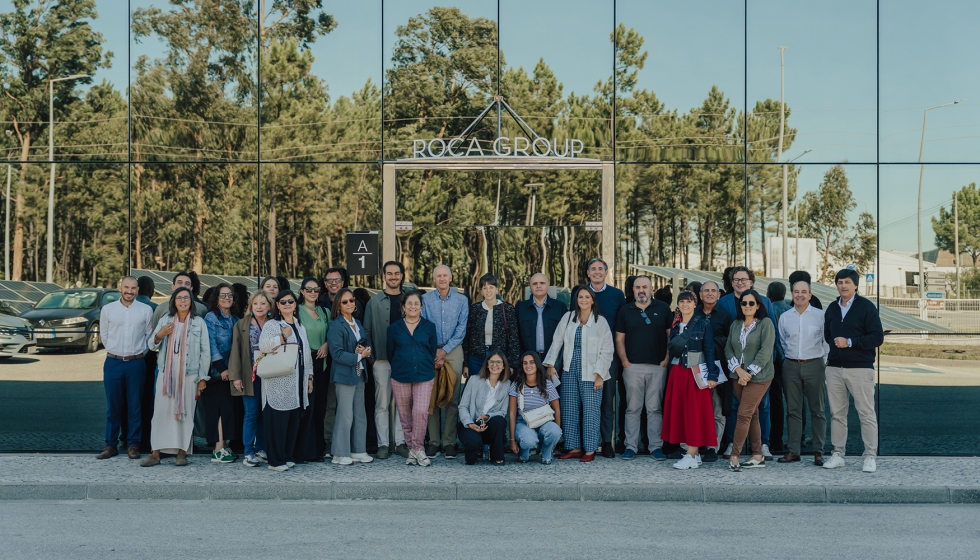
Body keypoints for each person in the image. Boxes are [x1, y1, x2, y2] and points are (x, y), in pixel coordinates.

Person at [822, 268, 884, 473]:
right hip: (835, 369)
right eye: (840, 282)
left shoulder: (866, 307)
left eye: (847, 282)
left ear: (855, 285)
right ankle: (838, 454)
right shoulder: (831, 308)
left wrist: (850, 342)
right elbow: (827, 335)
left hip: (860, 369)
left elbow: (877, 337)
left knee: (866, 413)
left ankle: (869, 456)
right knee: (837, 414)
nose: (843, 286)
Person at [141, 287, 211, 467]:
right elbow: (151, 345)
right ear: (174, 301)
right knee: (160, 414)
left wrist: (203, 377)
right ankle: (155, 453)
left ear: (191, 301)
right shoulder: (165, 320)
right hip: (166, 375)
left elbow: (206, 352)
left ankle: (182, 453)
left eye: (186, 298)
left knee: (184, 414)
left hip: (190, 375)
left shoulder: (199, 323)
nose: (182, 301)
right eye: (179, 297)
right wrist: (159, 334)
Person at [543, 285, 614, 462]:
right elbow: (557, 340)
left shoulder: (601, 322)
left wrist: (600, 375)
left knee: (591, 410)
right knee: (569, 409)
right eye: (580, 297)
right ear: (576, 300)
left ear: (592, 300)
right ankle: (573, 447)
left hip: (592, 372)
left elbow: (607, 350)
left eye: (586, 297)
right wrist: (551, 364)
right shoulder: (568, 317)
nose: (583, 300)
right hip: (569, 369)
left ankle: (590, 449)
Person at [718, 266, 779, 460]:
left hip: (759, 373)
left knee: (761, 408)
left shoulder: (765, 306)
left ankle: (760, 446)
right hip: (736, 372)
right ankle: (741, 446)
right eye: (736, 279)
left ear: (751, 282)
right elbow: (727, 343)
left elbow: (769, 342)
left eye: (744, 279)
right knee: (737, 408)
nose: (740, 282)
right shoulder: (725, 304)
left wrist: (751, 372)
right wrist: (737, 369)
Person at [96, 276, 154, 461]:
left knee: (135, 405)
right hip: (113, 363)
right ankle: (110, 445)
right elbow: (104, 336)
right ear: (120, 287)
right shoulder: (108, 309)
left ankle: (133, 444)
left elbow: (149, 337)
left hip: (136, 362)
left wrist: (137, 354)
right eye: (126, 287)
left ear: (138, 290)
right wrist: (116, 352)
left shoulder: (145, 310)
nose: (130, 291)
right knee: (113, 406)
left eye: (133, 288)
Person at [613, 275, 671, 460]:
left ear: (651, 288)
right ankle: (631, 446)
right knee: (632, 408)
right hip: (632, 367)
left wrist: (666, 360)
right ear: (633, 290)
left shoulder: (662, 309)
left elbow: (671, 336)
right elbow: (619, 339)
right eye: (638, 287)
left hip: (657, 366)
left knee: (654, 409)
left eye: (645, 287)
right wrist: (624, 362)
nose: (641, 290)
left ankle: (655, 447)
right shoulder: (625, 311)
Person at [662, 290, 720, 469]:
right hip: (677, 373)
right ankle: (692, 455)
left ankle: (691, 453)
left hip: (694, 374)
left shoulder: (703, 324)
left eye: (689, 301)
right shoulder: (675, 325)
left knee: (695, 414)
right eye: (682, 302)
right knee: (681, 413)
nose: (685, 304)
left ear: (695, 304)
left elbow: (709, 350)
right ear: (678, 305)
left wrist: (712, 375)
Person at [258, 290, 314, 471]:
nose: (287, 304)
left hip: (297, 381)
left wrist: (310, 377)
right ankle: (276, 460)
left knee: (292, 420)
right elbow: (263, 346)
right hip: (278, 382)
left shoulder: (300, 325)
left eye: (291, 301)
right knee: (278, 422)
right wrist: (282, 336)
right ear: (278, 305)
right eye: (283, 302)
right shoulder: (273, 324)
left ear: (296, 304)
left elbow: (306, 354)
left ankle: (287, 455)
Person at [777, 280, 829, 466]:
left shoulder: (820, 316)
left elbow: (826, 342)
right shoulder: (785, 317)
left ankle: (818, 451)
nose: (800, 294)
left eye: (804, 291)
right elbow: (783, 341)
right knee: (793, 411)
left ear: (810, 294)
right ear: (792, 294)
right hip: (791, 366)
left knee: (818, 410)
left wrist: (823, 363)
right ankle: (793, 451)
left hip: (815, 365)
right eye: (796, 291)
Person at [420, 264, 469, 459]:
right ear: (434, 279)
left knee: (452, 397)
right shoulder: (424, 299)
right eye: (438, 276)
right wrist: (435, 352)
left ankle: (449, 443)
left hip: (454, 349)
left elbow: (462, 329)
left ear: (450, 278)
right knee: (430, 398)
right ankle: (433, 442)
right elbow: (422, 325)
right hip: (430, 350)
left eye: (444, 276)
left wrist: (445, 351)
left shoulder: (461, 300)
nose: (441, 279)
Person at [386, 290, 438, 467]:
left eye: (416, 303)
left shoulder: (429, 327)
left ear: (421, 307)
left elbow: (431, 351)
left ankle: (418, 448)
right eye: (409, 303)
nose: (413, 306)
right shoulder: (394, 328)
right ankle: (412, 450)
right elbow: (390, 353)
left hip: (424, 375)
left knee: (420, 412)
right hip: (401, 376)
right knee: (405, 416)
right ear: (403, 307)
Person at [364, 261, 409, 460]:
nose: (393, 277)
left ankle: (400, 443)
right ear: (383, 276)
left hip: (404, 360)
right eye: (389, 273)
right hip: (381, 360)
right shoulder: (373, 302)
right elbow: (366, 331)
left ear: (402, 276)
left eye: (396, 273)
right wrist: (372, 359)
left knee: (403, 404)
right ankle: (383, 444)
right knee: (381, 404)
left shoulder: (409, 300)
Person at [327, 287, 374, 466]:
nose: (349, 304)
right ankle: (340, 453)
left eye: (352, 300)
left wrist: (367, 351)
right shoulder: (335, 326)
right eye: (345, 301)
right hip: (344, 374)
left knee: (359, 414)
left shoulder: (358, 323)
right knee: (345, 415)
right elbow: (336, 353)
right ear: (338, 305)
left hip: (360, 372)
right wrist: (358, 356)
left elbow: (364, 343)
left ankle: (358, 450)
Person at [584, 257, 626, 459]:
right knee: (585, 400)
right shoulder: (581, 293)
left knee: (607, 401)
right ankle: (587, 442)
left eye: (601, 269)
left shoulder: (617, 295)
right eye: (593, 269)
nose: (597, 272)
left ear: (606, 272)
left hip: (608, 356)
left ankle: (607, 442)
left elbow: (622, 326)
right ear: (588, 273)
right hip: (584, 356)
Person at [228, 290, 273, 467]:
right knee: (252, 413)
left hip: (270, 375)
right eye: (256, 303)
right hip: (250, 376)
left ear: (269, 305)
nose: (259, 307)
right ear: (251, 306)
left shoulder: (274, 324)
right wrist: (236, 377)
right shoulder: (242, 324)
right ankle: (248, 451)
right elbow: (235, 352)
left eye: (263, 303)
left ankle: (262, 448)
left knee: (265, 414)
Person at [202, 283, 242, 464]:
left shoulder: (234, 319)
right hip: (217, 372)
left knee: (227, 410)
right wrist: (223, 369)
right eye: (223, 295)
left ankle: (224, 447)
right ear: (216, 298)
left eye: (230, 295)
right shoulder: (211, 318)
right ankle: (218, 449)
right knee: (217, 410)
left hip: (231, 372)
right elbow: (211, 345)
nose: (227, 298)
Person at [695, 280, 733, 462]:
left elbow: (731, 342)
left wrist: (710, 341)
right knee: (698, 408)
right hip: (695, 368)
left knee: (717, 408)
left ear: (719, 295)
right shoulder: (693, 313)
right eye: (706, 291)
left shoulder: (726, 316)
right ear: (700, 295)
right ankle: (697, 443)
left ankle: (713, 446)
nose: (709, 293)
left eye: (713, 291)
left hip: (717, 368)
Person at [457, 350, 512, 465]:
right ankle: (476, 449)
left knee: (499, 421)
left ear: (503, 366)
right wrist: (470, 424)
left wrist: (487, 417)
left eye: (498, 362)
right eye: (491, 361)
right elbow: (462, 406)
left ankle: (497, 456)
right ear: (487, 364)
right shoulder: (473, 380)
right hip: (471, 424)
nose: (494, 365)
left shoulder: (507, 384)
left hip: (489, 426)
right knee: (471, 457)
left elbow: (502, 412)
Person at [508, 351, 562, 464]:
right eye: (525, 363)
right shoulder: (516, 385)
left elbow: (557, 410)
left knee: (555, 431)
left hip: (544, 422)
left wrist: (555, 438)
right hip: (523, 422)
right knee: (529, 440)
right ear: (522, 366)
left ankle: (546, 452)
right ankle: (524, 452)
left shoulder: (547, 384)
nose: (528, 366)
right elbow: (512, 413)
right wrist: (512, 439)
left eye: (532, 362)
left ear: (537, 364)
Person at [463, 273, 519, 378]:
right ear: (481, 291)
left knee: (496, 389)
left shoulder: (507, 309)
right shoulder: (474, 309)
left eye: (491, 287)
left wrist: (511, 364)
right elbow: (467, 338)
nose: (488, 290)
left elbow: (514, 339)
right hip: (476, 358)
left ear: (497, 289)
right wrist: (465, 364)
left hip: (499, 358)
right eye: (485, 288)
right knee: (477, 388)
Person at [298, 277, 330, 461]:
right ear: (302, 291)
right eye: (308, 289)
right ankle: (304, 450)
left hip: (322, 363)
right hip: (304, 364)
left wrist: (326, 344)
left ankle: (318, 448)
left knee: (319, 408)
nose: (312, 293)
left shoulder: (325, 311)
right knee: (306, 407)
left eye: (315, 289)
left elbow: (332, 334)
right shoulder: (296, 310)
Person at [515, 273, 568, 379]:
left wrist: (555, 362)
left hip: (554, 364)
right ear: (530, 287)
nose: (538, 286)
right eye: (535, 283)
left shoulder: (560, 308)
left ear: (548, 286)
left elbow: (565, 338)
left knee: (553, 394)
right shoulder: (520, 308)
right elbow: (516, 338)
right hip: (528, 364)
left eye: (542, 283)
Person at [317, 267, 347, 450]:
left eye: (337, 280)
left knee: (345, 405)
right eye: (329, 280)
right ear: (325, 284)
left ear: (343, 282)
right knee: (328, 404)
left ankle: (343, 441)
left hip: (346, 362)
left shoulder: (351, 301)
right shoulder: (317, 302)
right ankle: (328, 441)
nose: (333, 283)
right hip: (324, 363)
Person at [766, 281, 791, 454]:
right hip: (790, 360)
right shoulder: (791, 309)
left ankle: (773, 439)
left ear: (769, 293)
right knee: (788, 402)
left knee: (772, 401)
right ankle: (781, 439)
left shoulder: (770, 310)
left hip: (775, 361)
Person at [135, 276, 158, 452]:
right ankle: (147, 438)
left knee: (131, 399)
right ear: (151, 290)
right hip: (150, 360)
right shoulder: (155, 309)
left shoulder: (132, 308)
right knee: (149, 399)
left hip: (131, 358)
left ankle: (127, 436)